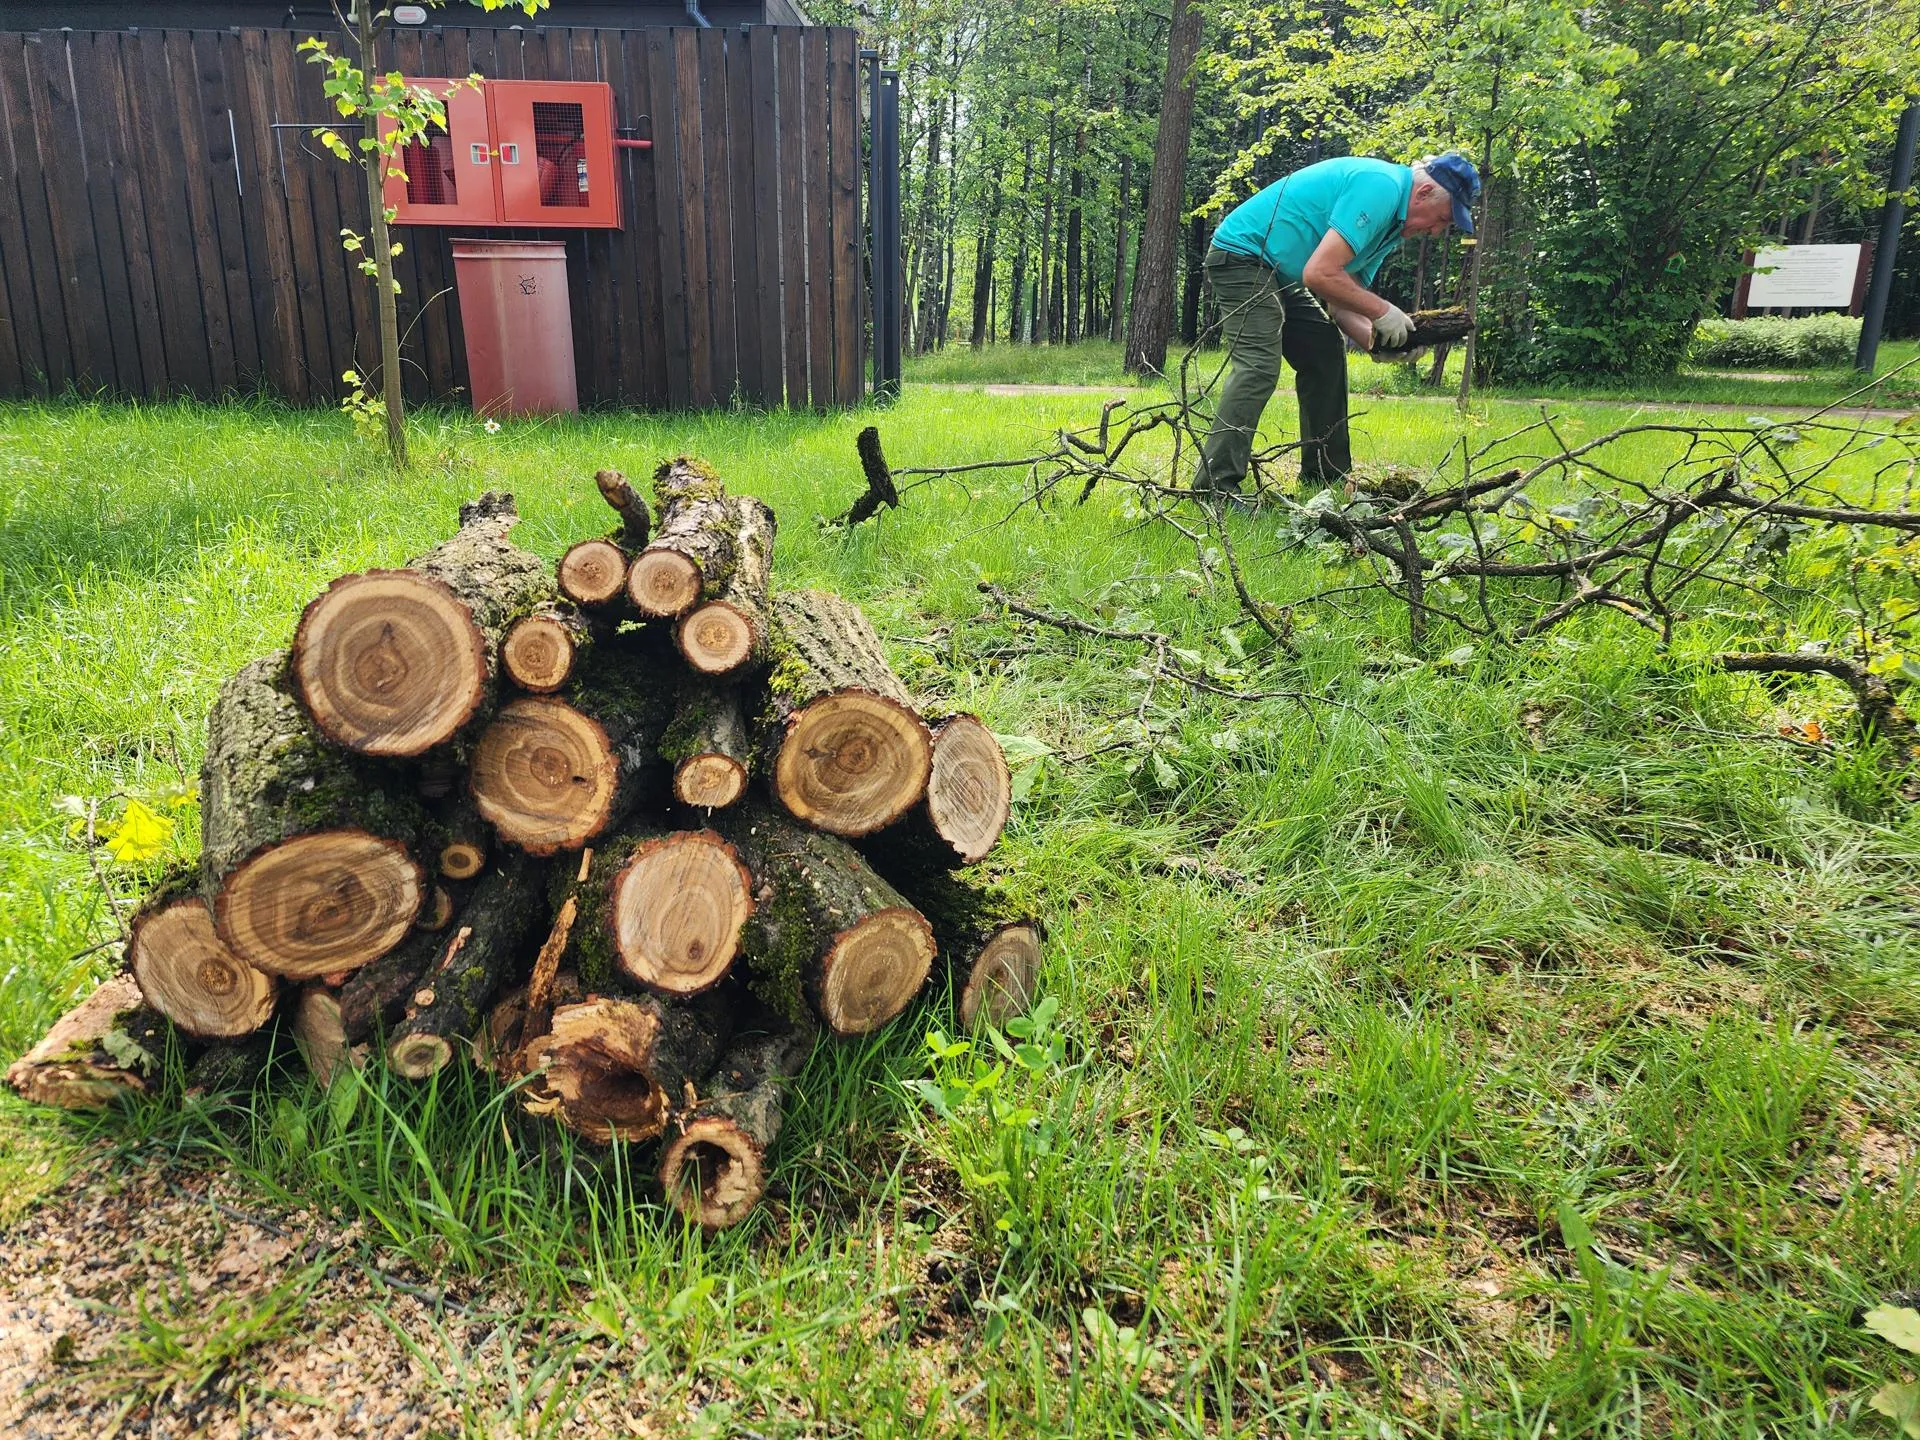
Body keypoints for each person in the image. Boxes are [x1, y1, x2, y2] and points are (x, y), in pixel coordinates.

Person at [1196, 152, 1480, 495]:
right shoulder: (1382, 187)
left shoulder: (1392, 227)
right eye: (1442, 219)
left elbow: (1340, 299)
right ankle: (1214, 488)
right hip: (1242, 256)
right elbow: (1319, 274)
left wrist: (1375, 343)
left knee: (1324, 351)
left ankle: (1326, 479)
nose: (1435, 231)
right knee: (1259, 366)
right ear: (1424, 193)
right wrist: (1383, 311)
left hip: (1280, 274)